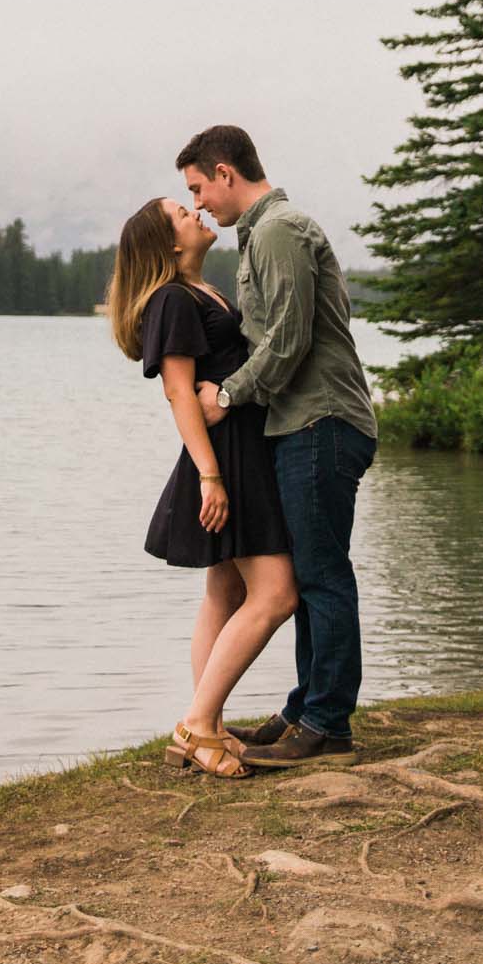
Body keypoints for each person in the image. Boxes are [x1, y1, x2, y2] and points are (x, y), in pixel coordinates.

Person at [176, 125, 378, 768]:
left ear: (226, 172)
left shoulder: (278, 230)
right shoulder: (258, 236)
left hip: (320, 421)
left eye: (199, 188)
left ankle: (327, 726)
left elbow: (286, 341)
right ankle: (304, 708)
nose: (200, 203)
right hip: (299, 425)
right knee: (310, 571)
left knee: (321, 575)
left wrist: (227, 397)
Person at [108, 195, 297, 780]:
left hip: (239, 452)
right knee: (276, 594)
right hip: (225, 460)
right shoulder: (172, 299)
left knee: (224, 593)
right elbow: (178, 392)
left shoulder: (204, 292)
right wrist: (210, 476)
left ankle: (207, 727)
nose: (197, 214)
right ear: (168, 243)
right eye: (182, 215)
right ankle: (197, 723)